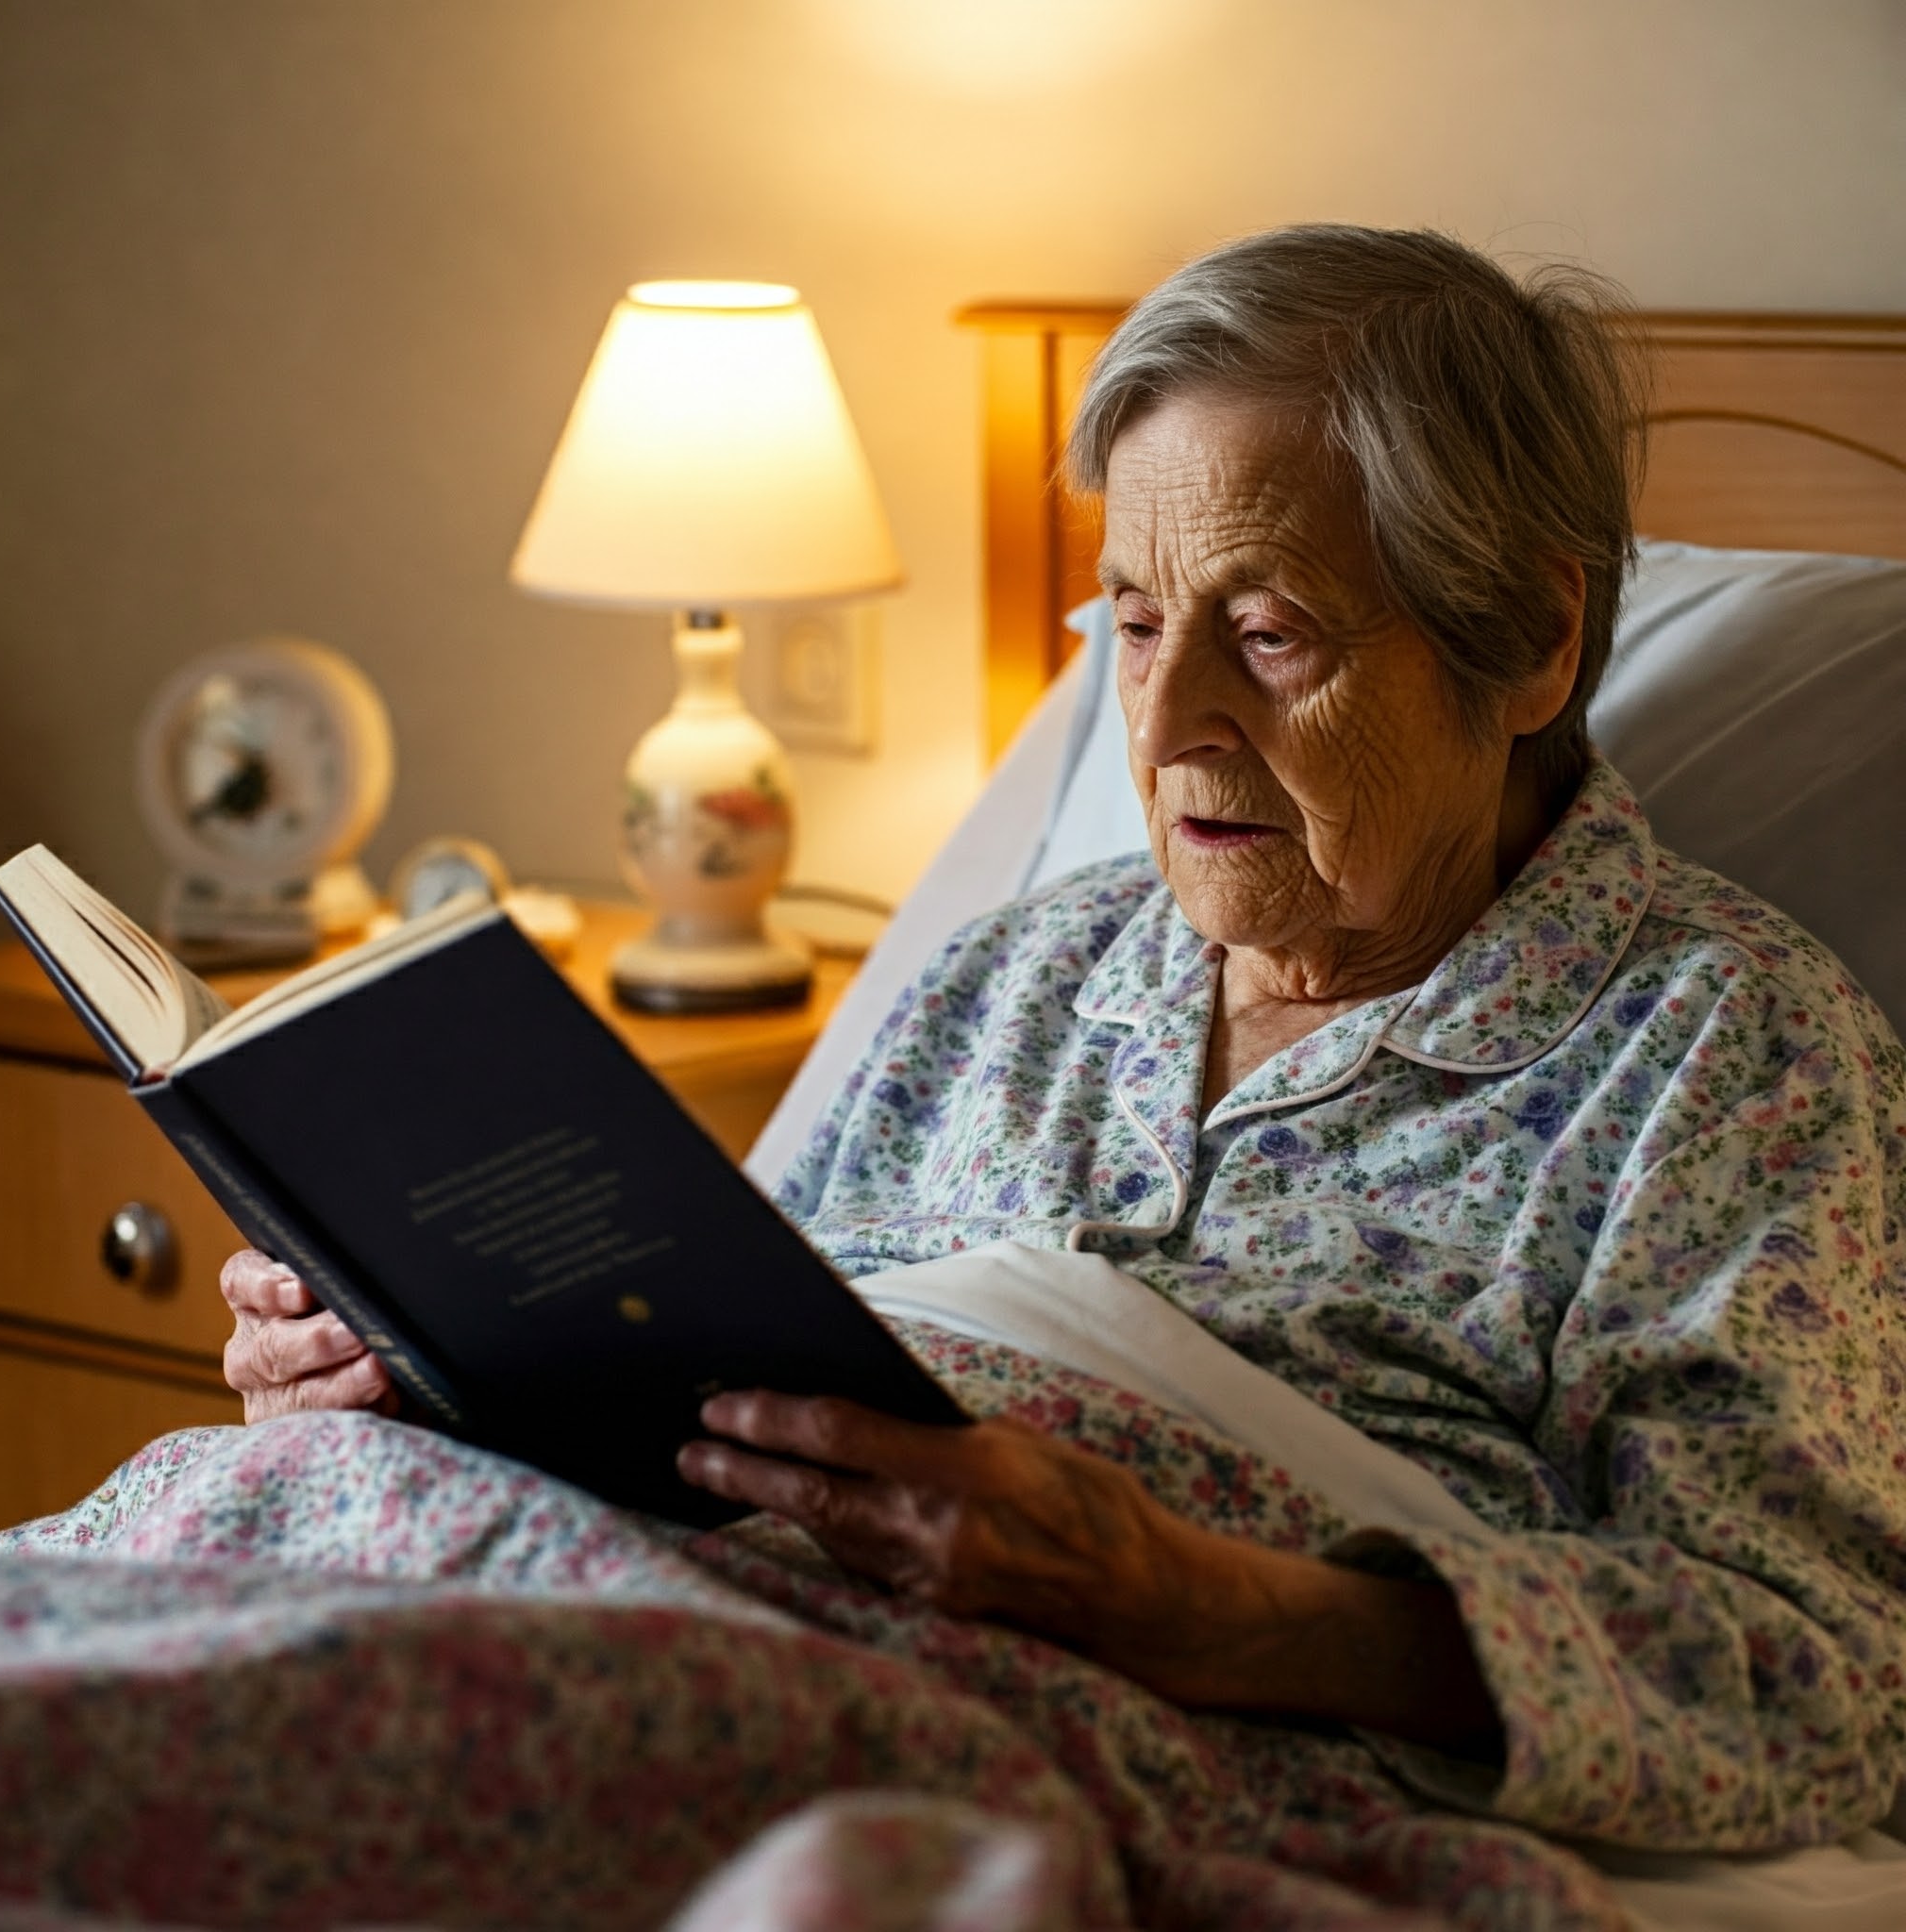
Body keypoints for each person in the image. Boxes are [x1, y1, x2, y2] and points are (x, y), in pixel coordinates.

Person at [219, 225, 1906, 1848]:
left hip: (972, 1747)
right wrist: (405, 1380)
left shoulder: (1722, 1059)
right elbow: (712, 1395)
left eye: (1269, 632)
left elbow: (1820, 1686)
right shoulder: (1009, 976)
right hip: (640, 1611)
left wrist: (1210, 1609)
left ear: (1531, 640)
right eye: (1141, 624)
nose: (1163, 727)